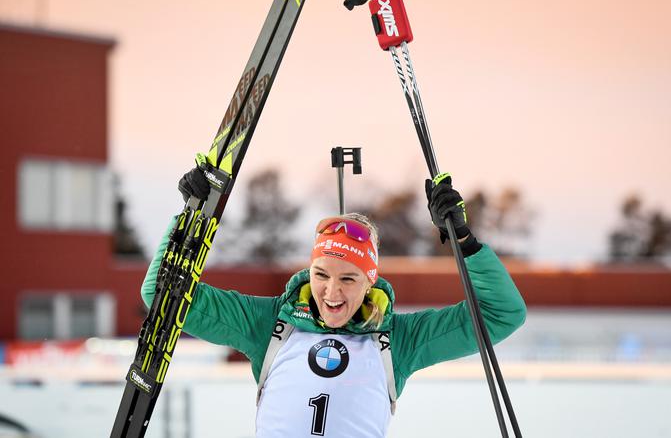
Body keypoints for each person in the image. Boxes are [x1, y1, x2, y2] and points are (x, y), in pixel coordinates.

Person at [141, 166, 527, 437]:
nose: (331, 292)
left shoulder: (399, 340)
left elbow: (500, 315)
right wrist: (187, 219)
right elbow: (165, 297)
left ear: (370, 279)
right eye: (321, 275)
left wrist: (463, 240)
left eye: (348, 279)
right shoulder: (271, 323)